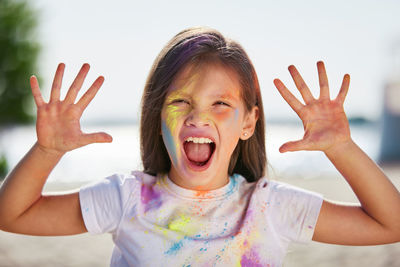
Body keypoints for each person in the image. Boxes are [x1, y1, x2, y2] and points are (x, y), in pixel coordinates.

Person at [0, 26, 399, 266]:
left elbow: (391, 225)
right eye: (180, 102)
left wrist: (342, 149)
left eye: (220, 104)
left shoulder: (270, 206)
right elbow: (12, 215)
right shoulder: (126, 199)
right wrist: (48, 152)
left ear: (248, 123)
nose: (199, 118)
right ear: (158, 117)